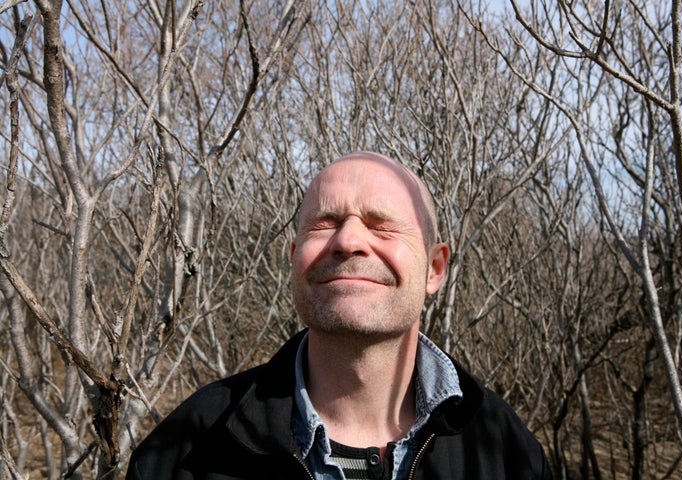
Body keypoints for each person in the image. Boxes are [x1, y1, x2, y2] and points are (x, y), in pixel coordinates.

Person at [125, 151, 553, 479]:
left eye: (381, 224)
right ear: (294, 260)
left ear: (435, 269)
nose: (348, 240)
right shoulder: (189, 448)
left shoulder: (505, 450)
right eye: (324, 223)